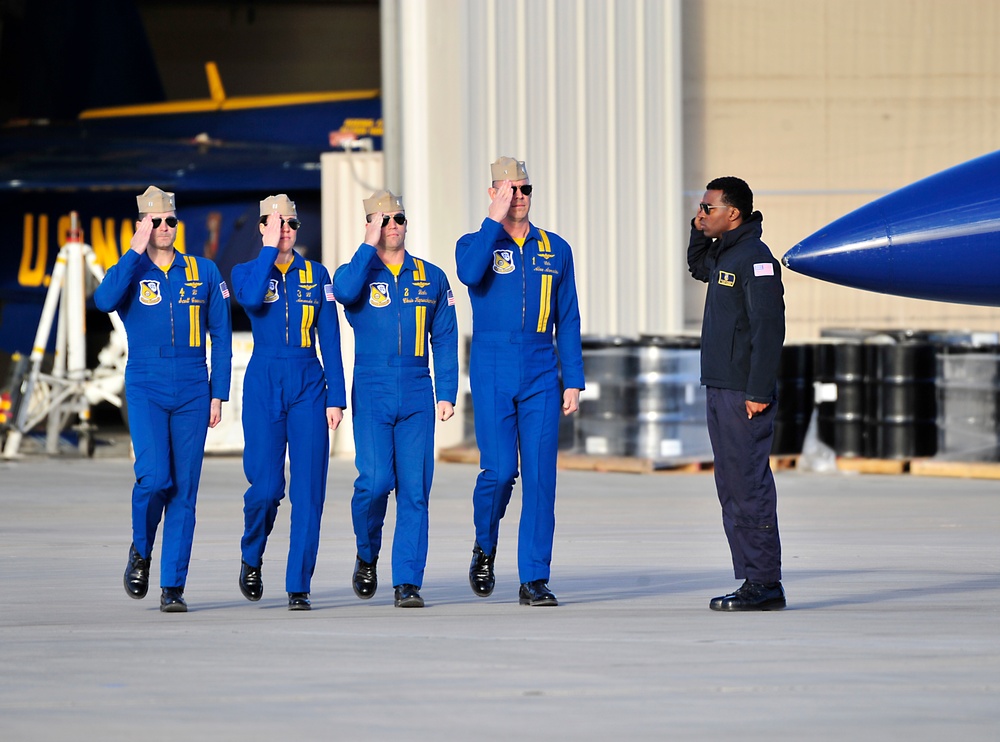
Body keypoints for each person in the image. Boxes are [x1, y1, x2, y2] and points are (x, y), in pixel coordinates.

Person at [94, 185, 232, 613]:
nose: (164, 228)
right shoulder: (131, 272)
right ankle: (140, 550)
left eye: (170, 220)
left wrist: (218, 393)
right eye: (155, 221)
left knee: (185, 491)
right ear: (142, 224)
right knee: (155, 478)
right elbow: (103, 300)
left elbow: (221, 334)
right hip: (147, 382)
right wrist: (133, 251)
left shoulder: (204, 271)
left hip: (193, 384)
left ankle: (173, 585)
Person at [455, 157, 584, 607]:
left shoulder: (556, 248)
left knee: (540, 477)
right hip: (492, 363)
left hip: (541, 367)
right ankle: (485, 543)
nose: (519, 198)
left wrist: (574, 379)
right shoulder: (474, 243)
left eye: (525, 189)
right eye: (509, 190)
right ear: (493, 194)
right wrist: (494, 222)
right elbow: (470, 275)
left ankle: (534, 576)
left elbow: (567, 316)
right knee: (500, 470)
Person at [333, 190, 458, 608]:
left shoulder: (431, 277)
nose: (393, 226)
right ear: (370, 224)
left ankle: (407, 581)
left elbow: (444, 335)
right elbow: (345, 293)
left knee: (415, 490)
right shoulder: (356, 272)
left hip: (418, 386)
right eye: (383, 220)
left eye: (399, 219)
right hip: (372, 384)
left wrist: (447, 391)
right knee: (375, 482)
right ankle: (367, 554)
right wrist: (367, 244)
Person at [230, 195, 346, 611]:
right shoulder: (247, 271)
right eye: (275, 224)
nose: (284, 231)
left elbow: (330, 338)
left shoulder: (317, 274)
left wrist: (337, 396)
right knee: (265, 488)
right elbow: (252, 300)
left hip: (308, 383)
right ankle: (251, 554)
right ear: (262, 228)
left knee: (310, 490)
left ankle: (299, 583)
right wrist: (268, 250)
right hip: (264, 381)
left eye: (291, 225)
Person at [687, 176, 787, 611]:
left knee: (748, 484)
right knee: (731, 484)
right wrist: (697, 229)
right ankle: (751, 577)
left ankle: (765, 582)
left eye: (709, 208)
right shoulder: (726, 252)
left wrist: (759, 390)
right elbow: (697, 267)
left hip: (744, 392)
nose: (701, 213)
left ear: (734, 213)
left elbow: (769, 330)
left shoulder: (756, 260)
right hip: (721, 385)